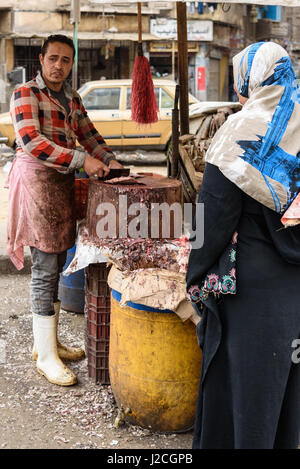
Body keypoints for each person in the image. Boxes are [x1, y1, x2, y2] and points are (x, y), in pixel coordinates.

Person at [186, 41, 300, 449]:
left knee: (246, 399)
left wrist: (195, 279)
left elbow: (211, 221)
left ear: (251, 82)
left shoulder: (239, 133)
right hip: (294, 293)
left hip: (251, 296)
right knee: (286, 396)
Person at [7, 34, 123, 387]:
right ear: (41, 59)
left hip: (63, 186)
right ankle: (44, 356)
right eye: (53, 58)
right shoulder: (25, 93)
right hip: (38, 184)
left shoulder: (71, 97)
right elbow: (32, 142)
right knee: (44, 266)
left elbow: (90, 135)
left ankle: (50, 343)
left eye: (66, 60)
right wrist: (81, 159)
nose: (59, 66)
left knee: (58, 262)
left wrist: (109, 159)